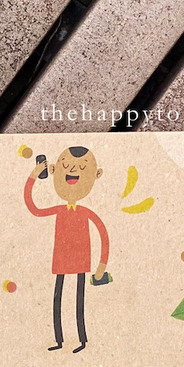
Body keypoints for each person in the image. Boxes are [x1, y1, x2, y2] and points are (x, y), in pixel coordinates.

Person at [23, 146, 110, 353]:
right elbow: (33, 208)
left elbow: (103, 236)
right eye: (67, 167)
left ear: (97, 175)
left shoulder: (86, 212)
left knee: (78, 300)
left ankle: (82, 340)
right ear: (53, 170)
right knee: (58, 299)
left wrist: (101, 266)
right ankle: (59, 340)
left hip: (81, 261)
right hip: (61, 260)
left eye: (82, 168)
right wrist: (34, 175)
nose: (73, 171)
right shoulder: (60, 210)